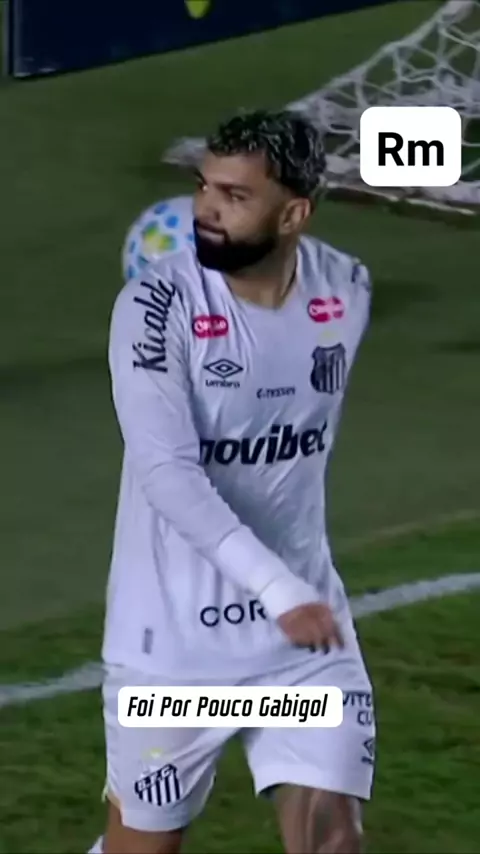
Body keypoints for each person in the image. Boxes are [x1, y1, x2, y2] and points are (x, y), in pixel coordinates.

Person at [91, 109, 376, 854]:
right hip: (172, 652)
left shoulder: (346, 288)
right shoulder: (155, 307)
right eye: (203, 186)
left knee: (333, 843)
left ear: (294, 214)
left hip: (302, 651)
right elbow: (167, 474)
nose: (206, 208)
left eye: (235, 195)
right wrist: (279, 589)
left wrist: (294, 598)